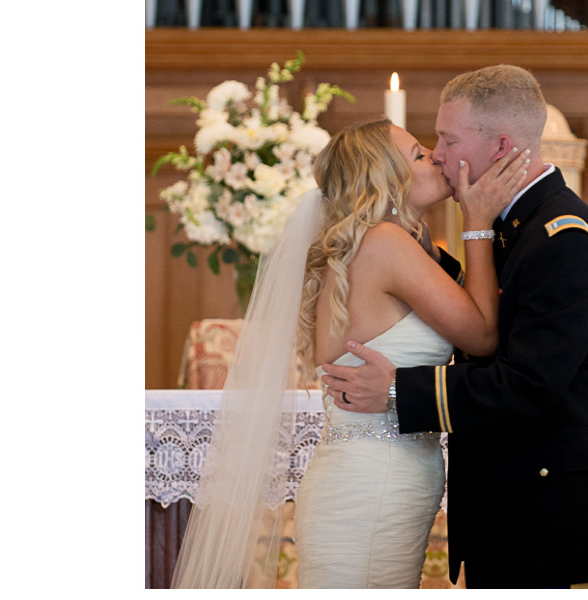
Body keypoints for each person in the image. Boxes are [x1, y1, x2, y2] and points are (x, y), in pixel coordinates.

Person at [321, 65, 588, 589]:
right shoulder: (513, 226)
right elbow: (471, 311)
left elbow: (528, 383)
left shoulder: (563, 237)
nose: (437, 153)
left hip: (564, 534)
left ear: (500, 147)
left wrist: (393, 389)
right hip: (516, 525)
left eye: (448, 139)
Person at [170, 117, 527, 589]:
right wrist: (477, 225)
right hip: (369, 484)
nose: (438, 158)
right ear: (385, 179)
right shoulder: (383, 244)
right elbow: (482, 336)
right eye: (420, 155)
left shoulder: (393, 245)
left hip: (385, 477)